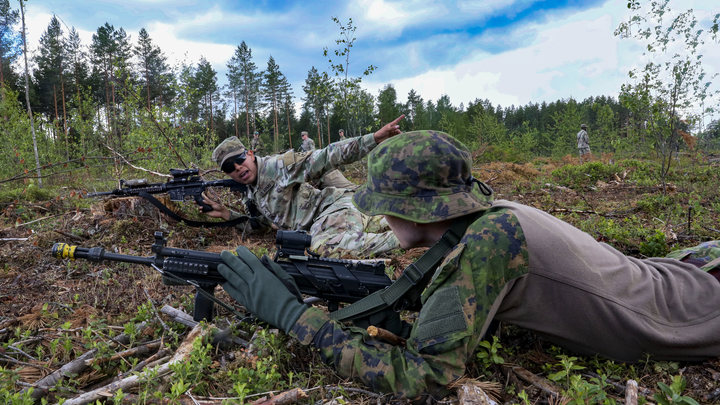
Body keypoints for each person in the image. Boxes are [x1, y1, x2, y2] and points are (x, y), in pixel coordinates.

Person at [217, 129, 720, 400]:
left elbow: (425, 377)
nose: (381, 213)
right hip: (671, 280)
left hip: (691, 317)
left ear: (417, 208)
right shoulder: (490, 220)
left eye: (388, 202)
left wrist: (294, 317)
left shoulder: (485, 247)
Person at [203, 116, 405, 257]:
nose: (238, 168)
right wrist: (225, 214)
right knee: (394, 221)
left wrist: (374, 138)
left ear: (249, 154)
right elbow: (261, 224)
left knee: (321, 246)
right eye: (230, 167)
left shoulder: (279, 167)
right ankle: (423, 228)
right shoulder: (251, 192)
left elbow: (327, 156)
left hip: (332, 209)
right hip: (342, 215)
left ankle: (412, 240)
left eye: (239, 160)